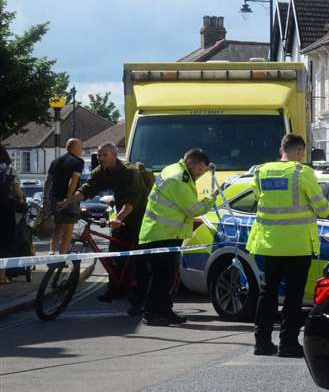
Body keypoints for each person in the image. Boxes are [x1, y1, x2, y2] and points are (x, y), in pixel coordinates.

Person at [247, 133, 329, 357]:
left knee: (267, 293)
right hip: (297, 245)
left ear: (281, 148)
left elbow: (259, 198)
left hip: (269, 243)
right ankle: (288, 344)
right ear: (300, 151)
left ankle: (261, 343)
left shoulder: (261, 171)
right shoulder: (302, 173)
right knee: (293, 296)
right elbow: (323, 208)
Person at [137, 148, 215, 326]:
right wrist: (212, 198)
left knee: (167, 276)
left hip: (163, 232)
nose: (200, 175)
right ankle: (150, 313)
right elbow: (194, 210)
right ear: (190, 163)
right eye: (199, 170)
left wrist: (205, 169)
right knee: (160, 276)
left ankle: (165, 311)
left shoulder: (173, 169)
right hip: (161, 233)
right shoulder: (179, 179)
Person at [71, 143, 156, 302]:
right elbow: (87, 189)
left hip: (140, 218)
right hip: (121, 218)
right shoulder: (101, 171)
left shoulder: (130, 172)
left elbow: (132, 201)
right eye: (98, 155)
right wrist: (68, 202)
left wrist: (118, 218)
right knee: (114, 256)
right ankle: (115, 290)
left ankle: (140, 300)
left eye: (104, 155)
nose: (100, 158)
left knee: (137, 262)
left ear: (114, 156)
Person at [41, 137, 85, 258]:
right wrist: (68, 198)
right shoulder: (78, 162)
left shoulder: (55, 161)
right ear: (73, 147)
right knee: (69, 228)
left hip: (55, 198)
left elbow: (47, 181)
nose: (82, 149)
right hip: (69, 199)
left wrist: (45, 199)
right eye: (80, 147)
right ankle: (62, 256)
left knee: (58, 226)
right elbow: (73, 180)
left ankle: (52, 252)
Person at [0, 146, 24, 285]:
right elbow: (17, 192)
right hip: (5, 209)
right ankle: (1, 276)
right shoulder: (9, 170)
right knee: (4, 243)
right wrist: (21, 201)